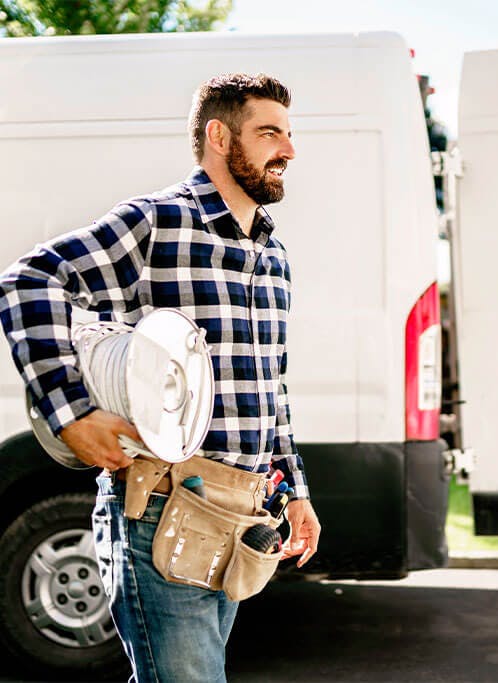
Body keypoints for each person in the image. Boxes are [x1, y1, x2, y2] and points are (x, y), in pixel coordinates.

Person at [0, 72, 321, 682]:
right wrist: (71, 413)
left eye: (289, 133)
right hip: (160, 508)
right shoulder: (156, 223)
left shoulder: (271, 256)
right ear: (220, 136)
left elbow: (269, 387)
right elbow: (28, 282)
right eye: (269, 133)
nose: (288, 150)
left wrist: (293, 491)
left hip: (244, 513)